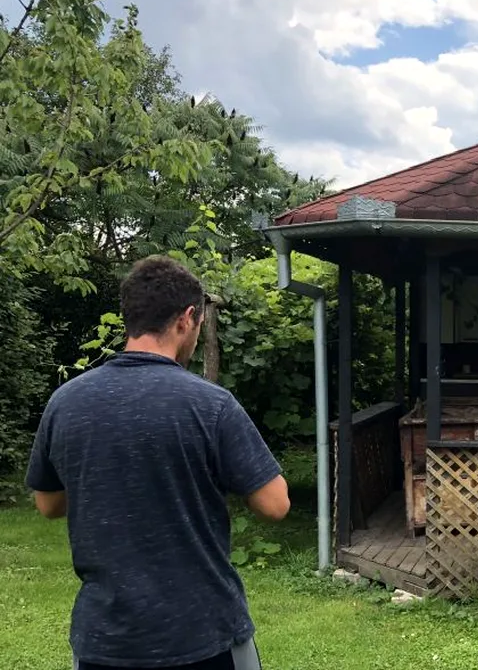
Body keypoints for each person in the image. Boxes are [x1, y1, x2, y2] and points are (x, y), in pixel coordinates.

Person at [25, 255, 290, 670]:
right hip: (204, 635)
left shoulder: (66, 402)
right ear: (187, 318)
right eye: (199, 324)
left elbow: (48, 504)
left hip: (105, 641)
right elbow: (275, 504)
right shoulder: (210, 404)